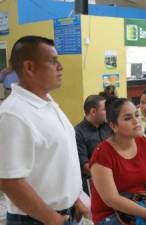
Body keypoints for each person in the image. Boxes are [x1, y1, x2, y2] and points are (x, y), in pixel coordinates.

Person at [0, 36, 87, 225]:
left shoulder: (47, 102)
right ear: (29, 67)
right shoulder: (13, 114)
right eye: (53, 61)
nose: (60, 67)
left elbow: (56, 159)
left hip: (65, 212)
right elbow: (9, 181)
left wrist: (74, 198)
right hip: (38, 219)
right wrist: (52, 219)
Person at [89, 98, 146, 225]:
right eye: (128, 118)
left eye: (137, 115)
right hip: (111, 215)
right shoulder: (102, 153)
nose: (136, 121)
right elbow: (111, 199)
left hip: (142, 206)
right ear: (113, 126)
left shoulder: (144, 143)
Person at [75, 95, 111, 195]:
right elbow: (84, 166)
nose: (108, 113)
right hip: (93, 184)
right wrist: (109, 176)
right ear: (93, 112)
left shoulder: (109, 127)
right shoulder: (78, 132)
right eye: (105, 109)